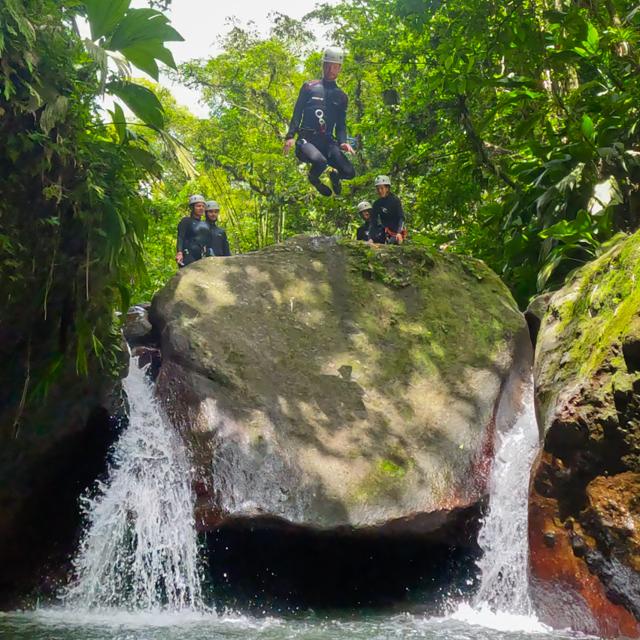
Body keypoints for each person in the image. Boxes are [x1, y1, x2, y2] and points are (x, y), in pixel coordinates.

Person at [283, 46, 356, 197]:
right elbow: (297, 112)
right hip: (307, 140)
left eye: (335, 66)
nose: (331, 69)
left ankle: (335, 177)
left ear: (339, 69)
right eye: (328, 65)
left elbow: (341, 124)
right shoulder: (309, 87)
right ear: (323, 65)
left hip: (328, 142)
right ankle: (313, 178)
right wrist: (290, 136)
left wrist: (343, 141)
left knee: (349, 172)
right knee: (320, 161)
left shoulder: (341, 96)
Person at [175, 194, 212, 267]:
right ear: (192, 207)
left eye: (203, 206)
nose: (201, 208)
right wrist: (179, 253)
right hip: (188, 255)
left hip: (201, 255)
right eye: (198, 206)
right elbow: (180, 237)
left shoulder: (205, 224)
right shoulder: (186, 221)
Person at [372, 175, 407, 244]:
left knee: (393, 242)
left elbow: (401, 217)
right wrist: (371, 237)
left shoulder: (395, 201)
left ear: (387, 188)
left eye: (382, 188)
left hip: (396, 232)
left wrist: (399, 233)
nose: (380, 191)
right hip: (384, 232)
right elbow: (373, 222)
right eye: (378, 189)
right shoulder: (377, 204)